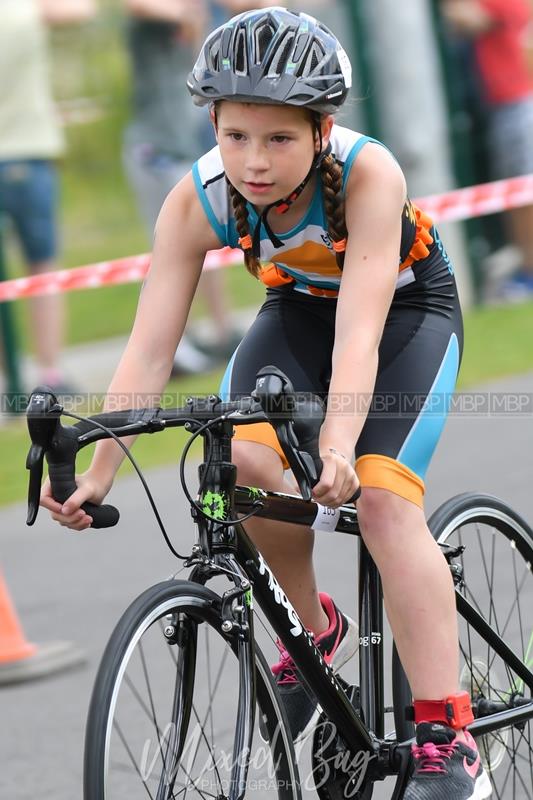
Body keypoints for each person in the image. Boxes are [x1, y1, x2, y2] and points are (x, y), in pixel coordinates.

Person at [41, 8, 491, 799]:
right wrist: (101, 467)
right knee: (237, 458)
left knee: (384, 504)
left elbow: (359, 333)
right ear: (212, 121)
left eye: (278, 139)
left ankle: (446, 734)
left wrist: (341, 447)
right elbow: (149, 348)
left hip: (400, 316)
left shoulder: (367, 175)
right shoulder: (198, 198)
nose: (252, 162)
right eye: (236, 135)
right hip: (295, 312)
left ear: (322, 130)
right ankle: (314, 636)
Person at [123, 0, 241, 374]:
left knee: (205, 239)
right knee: (167, 249)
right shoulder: (155, 15)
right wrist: (192, 13)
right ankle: (173, 346)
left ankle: (222, 331)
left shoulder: (205, 16)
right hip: (154, 149)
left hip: (186, 147)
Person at [0, 0, 96, 393]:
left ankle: (11, 380)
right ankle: (49, 374)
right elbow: (81, 10)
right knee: (43, 269)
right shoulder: (26, 9)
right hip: (27, 152)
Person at [441, 0, 533, 301]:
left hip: (517, 105)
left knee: (522, 193)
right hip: (508, 105)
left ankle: (529, 274)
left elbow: (463, 18)